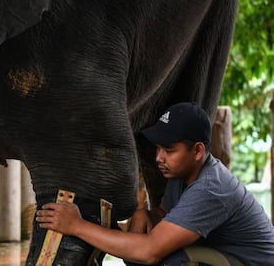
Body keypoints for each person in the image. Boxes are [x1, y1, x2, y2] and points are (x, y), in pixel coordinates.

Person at [36, 102, 274, 266]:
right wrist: (148, 214)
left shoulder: (211, 188)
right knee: (139, 250)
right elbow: (167, 216)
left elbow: (150, 252)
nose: (159, 157)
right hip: (224, 256)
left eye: (169, 150)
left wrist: (77, 226)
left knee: (168, 260)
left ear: (198, 150)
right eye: (158, 148)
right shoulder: (182, 173)